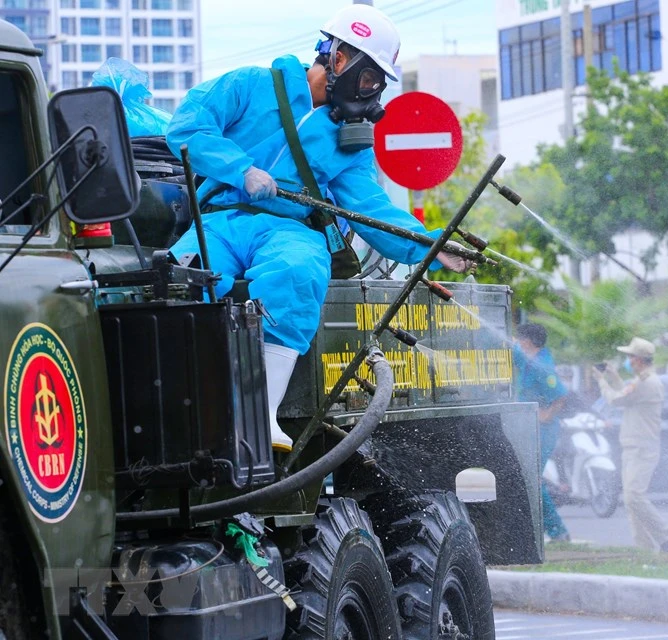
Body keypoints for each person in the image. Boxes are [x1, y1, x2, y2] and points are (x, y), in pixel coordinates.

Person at [164, 5, 472, 452]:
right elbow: (188, 126)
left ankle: (259, 414)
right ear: (340, 59)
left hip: (288, 229)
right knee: (181, 278)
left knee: (298, 269)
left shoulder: (348, 141)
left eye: (378, 85)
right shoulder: (251, 85)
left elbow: (371, 206)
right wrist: (240, 169)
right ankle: (188, 409)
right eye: (370, 79)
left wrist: (431, 245)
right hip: (219, 220)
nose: (372, 94)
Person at [593, 337, 668, 553]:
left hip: (642, 447)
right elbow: (627, 396)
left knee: (634, 496)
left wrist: (602, 381)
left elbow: (616, 400)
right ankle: (645, 550)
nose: (628, 360)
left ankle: (667, 536)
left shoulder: (647, 382)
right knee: (631, 502)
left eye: (631, 356)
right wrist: (613, 377)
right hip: (634, 446)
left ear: (639, 360)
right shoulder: (643, 380)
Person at [514, 323, 571, 543]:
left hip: (544, 430)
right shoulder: (530, 360)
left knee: (533, 479)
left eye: (520, 339)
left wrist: (546, 415)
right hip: (532, 429)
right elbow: (515, 354)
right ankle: (550, 531)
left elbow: (560, 394)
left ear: (528, 341)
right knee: (530, 478)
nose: (518, 342)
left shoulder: (541, 366)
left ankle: (558, 532)